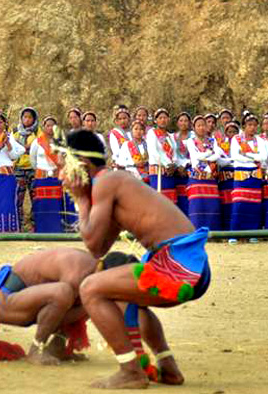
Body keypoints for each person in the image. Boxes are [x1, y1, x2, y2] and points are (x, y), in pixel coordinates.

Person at [61, 129, 210, 389]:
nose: (60, 176)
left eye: (64, 167)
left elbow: (92, 241)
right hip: (186, 266)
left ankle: (130, 371)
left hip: (179, 267)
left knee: (90, 289)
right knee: (116, 290)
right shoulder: (111, 184)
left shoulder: (107, 182)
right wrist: (85, 199)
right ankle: (168, 367)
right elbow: (98, 249)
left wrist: (81, 199)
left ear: (82, 165)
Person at [0, 247, 96, 365]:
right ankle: (36, 349)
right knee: (65, 293)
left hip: (27, 301)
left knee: (90, 300)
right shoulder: (78, 272)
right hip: (6, 302)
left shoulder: (91, 266)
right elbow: (60, 314)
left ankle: (57, 346)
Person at [0, 112, 26, 233]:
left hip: (7, 176)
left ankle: (9, 229)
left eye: (1, 122)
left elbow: (15, 155)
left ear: (5, 124)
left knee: (7, 202)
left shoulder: (9, 137)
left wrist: (7, 144)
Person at [184, 115, 222, 230]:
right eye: (198, 125)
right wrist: (209, 154)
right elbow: (195, 156)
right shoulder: (190, 141)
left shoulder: (212, 140)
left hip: (210, 177)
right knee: (198, 206)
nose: (201, 128)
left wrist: (207, 157)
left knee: (211, 206)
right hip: (197, 178)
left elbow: (218, 154)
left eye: (203, 125)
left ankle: (212, 231)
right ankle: (196, 230)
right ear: (194, 128)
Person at [229, 114, 265, 232]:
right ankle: (235, 233)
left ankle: (252, 233)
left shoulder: (259, 140)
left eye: (255, 125)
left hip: (255, 175)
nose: (252, 128)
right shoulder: (236, 139)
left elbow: (263, 157)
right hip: (241, 175)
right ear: (244, 126)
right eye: (249, 125)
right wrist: (253, 157)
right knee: (239, 204)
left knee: (253, 205)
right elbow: (235, 156)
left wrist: (245, 154)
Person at [29, 116, 63, 233]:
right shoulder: (37, 142)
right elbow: (33, 160)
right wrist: (41, 170)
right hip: (41, 179)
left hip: (55, 179)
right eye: (47, 125)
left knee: (54, 205)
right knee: (42, 205)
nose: (50, 128)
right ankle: (41, 229)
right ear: (43, 127)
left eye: (52, 126)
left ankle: (55, 229)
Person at [12, 108, 40, 230]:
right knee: (18, 197)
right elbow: (13, 148)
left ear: (34, 119)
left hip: (33, 168)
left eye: (30, 117)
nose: (27, 119)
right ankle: (20, 224)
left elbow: (39, 146)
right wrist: (26, 147)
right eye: (25, 117)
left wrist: (23, 147)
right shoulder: (16, 132)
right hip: (19, 169)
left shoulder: (38, 132)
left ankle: (35, 223)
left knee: (35, 196)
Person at [146, 109, 177, 204]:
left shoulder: (170, 136)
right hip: (158, 171)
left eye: (165, 118)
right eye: (160, 118)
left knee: (170, 202)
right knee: (159, 201)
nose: (163, 120)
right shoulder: (152, 133)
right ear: (155, 120)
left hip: (169, 172)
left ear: (168, 119)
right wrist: (167, 164)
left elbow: (175, 153)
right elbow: (154, 152)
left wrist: (173, 164)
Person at [173, 112, 192, 215]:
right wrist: (178, 167)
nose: (183, 123)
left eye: (186, 120)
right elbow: (170, 154)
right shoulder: (172, 137)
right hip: (177, 171)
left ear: (189, 123)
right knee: (179, 199)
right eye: (181, 120)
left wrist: (186, 166)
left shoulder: (194, 136)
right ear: (177, 123)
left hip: (190, 170)